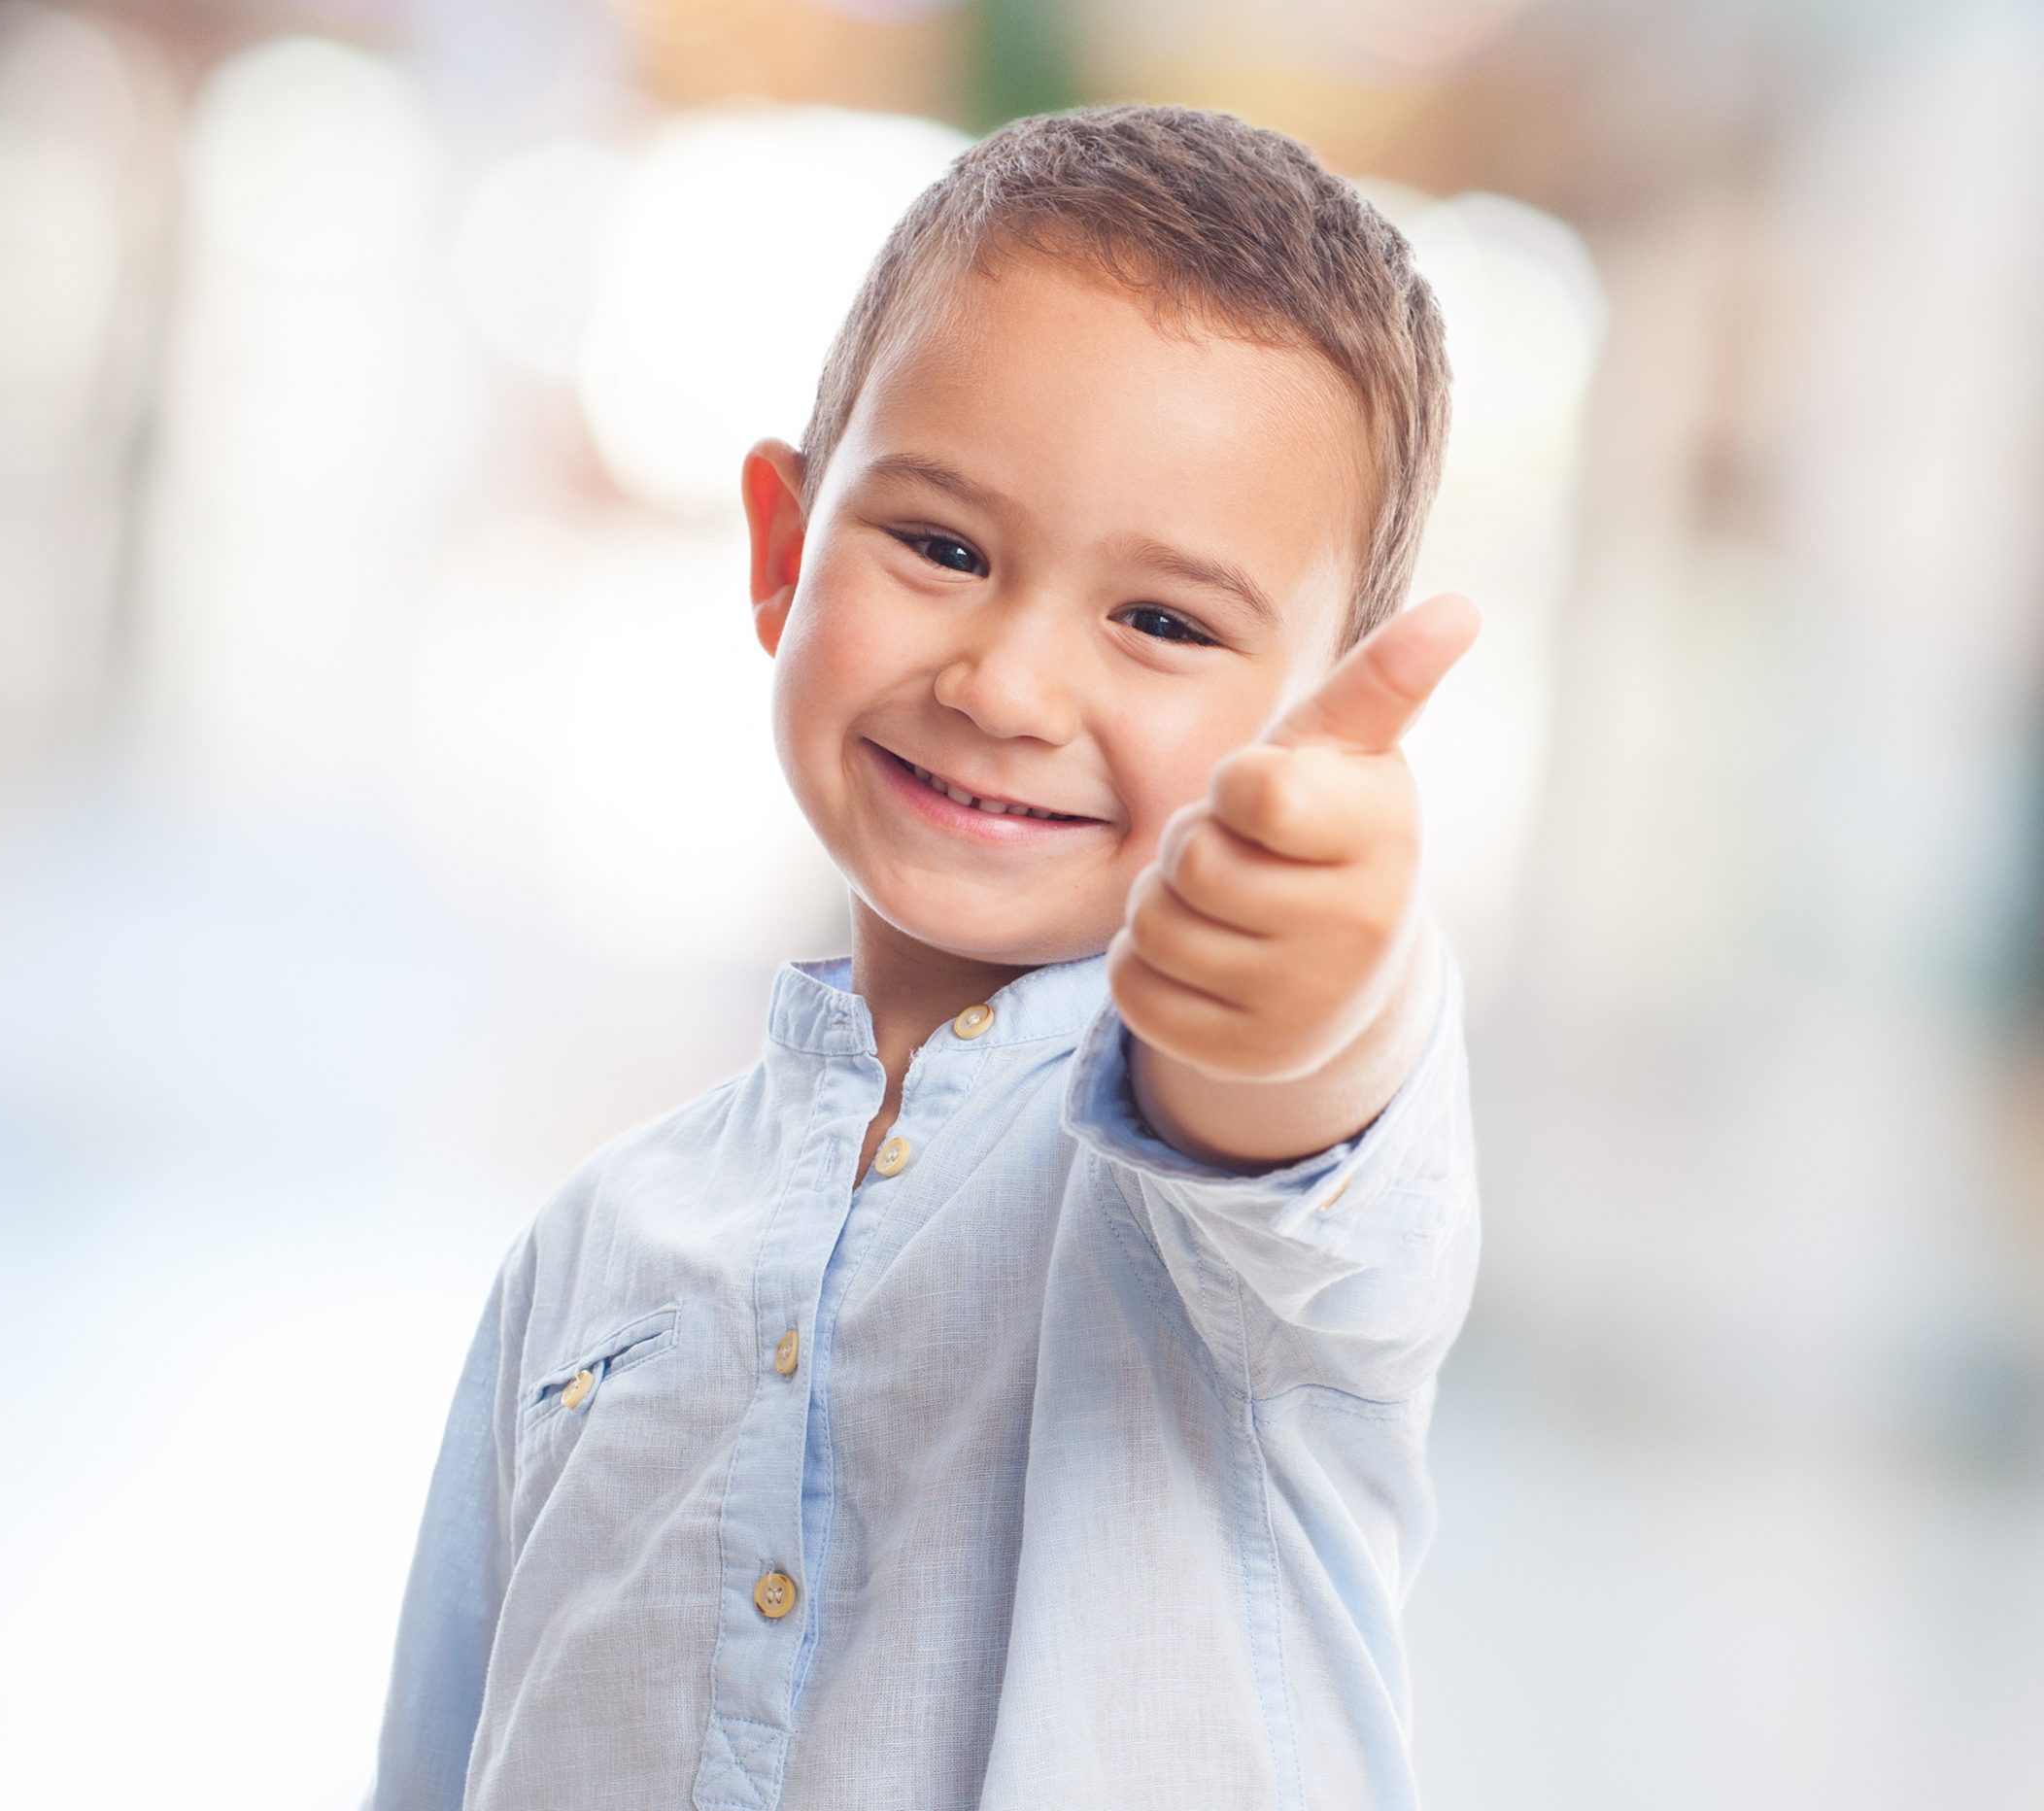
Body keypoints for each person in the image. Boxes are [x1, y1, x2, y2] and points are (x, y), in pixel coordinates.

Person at [373, 102, 1482, 1810]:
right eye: (943, 549)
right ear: (779, 549)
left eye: (1166, 623)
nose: (1008, 687)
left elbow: (1286, 1107)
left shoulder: (1223, 1223)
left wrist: (1308, 977)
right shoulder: (592, 1253)